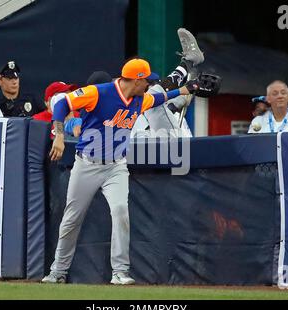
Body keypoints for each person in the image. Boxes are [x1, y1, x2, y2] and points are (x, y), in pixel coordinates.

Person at [42, 58, 199, 285]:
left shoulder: (139, 99)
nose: (149, 84)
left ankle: (120, 272)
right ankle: (58, 271)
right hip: (87, 164)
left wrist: (187, 89)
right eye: (147, 80)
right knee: (71, 220)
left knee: (120, 212)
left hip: (116, 166)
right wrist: (58, 134)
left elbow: (160, 97)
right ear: (136, 80)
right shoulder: (98, 93)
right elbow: (62, 104)